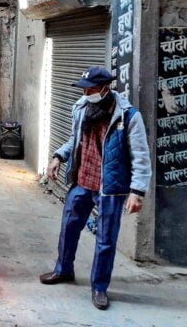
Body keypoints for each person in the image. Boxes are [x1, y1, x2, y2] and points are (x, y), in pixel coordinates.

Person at [40, 66, 152, 311]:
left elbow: (141, 156)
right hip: (81, 181)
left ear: (105, 88)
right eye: (84, 89)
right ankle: (63, 270)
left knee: (105, 240)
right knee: (68, 228)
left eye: (90, 89)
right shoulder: (81, 107)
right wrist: (58, 156)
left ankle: (99, 287)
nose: (86, 92)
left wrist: (137, 191)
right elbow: (75, 138)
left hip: (109, 189)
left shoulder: (128, 117)